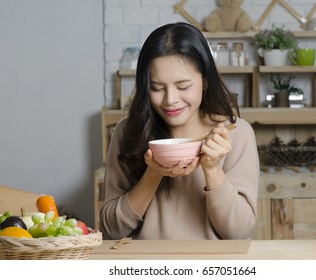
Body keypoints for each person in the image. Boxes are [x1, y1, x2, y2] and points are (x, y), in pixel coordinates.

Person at [101, 22, 259, 240]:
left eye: (183, 86)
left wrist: (212, 170)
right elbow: (110, 230)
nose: (170, 100)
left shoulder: (237, 134)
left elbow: (239, 233)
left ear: (205, 80)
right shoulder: (127, 131)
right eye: (156, 87)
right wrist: (154, 172)